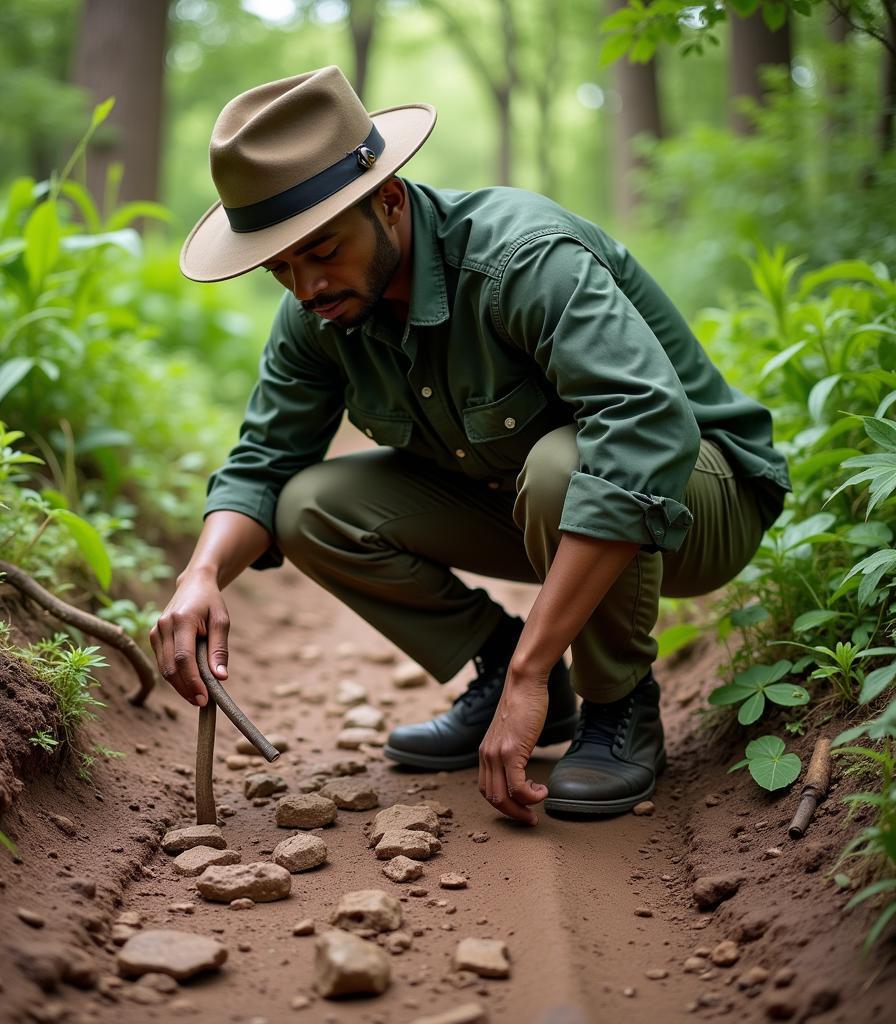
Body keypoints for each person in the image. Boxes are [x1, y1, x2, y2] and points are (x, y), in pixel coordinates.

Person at [149, 65, 791, 826]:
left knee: (568, 462)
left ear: (388, 201)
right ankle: (510, 667)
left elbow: (644, 431)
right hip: (531, 508)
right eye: (280, 267)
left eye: (320, 251)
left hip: (697, 502)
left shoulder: (522, 259)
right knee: (309, 506)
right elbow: (264, 462)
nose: (305, 287)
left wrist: (535, 666)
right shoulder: (317, 316)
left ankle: (618, 704)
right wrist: (200, 575)